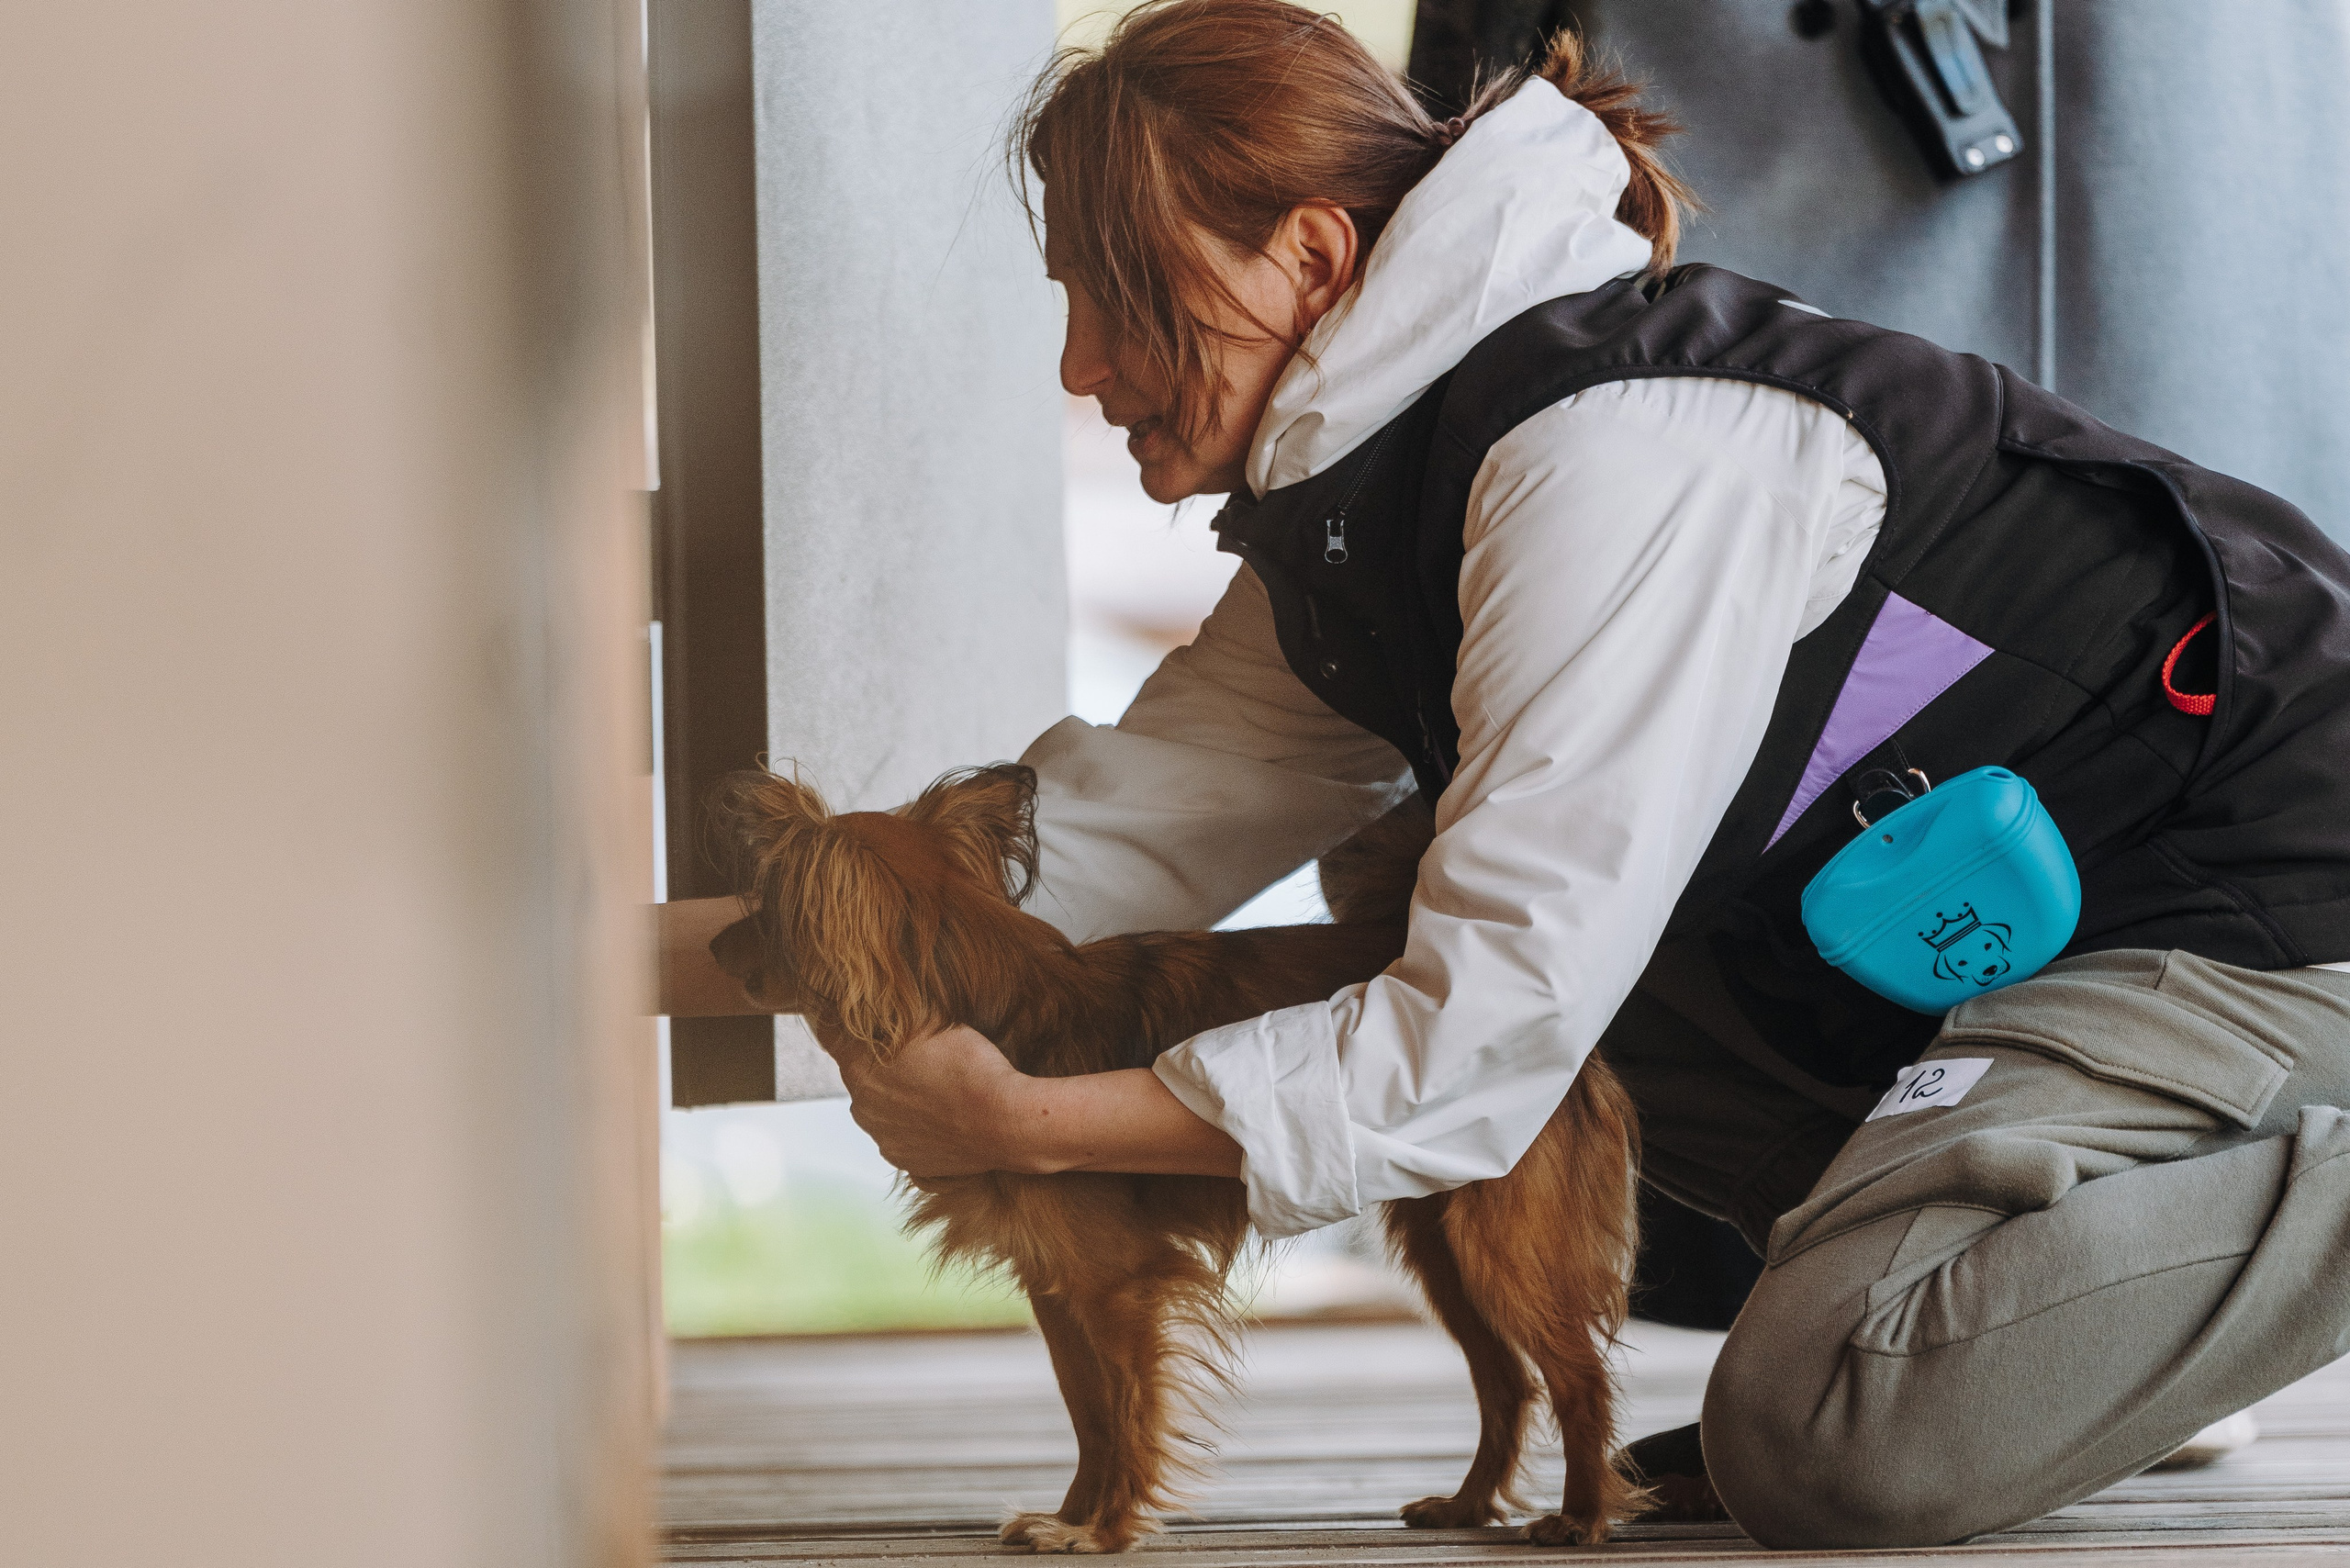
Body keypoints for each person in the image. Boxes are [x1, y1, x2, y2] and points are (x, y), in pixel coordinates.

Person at [662, 0, 2350, 1549]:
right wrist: (583, 962)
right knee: (1460, 927)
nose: (1081, 367)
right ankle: (2064, 1333)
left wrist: (1024, 1120)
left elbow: (1478, 1030)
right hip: (2036, 953)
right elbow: (1100, 844)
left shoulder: (1608, 459)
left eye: (1117, 299)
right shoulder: (1388, 491)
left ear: (1307, 258)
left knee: (1826, 1437)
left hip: (2263, 905)